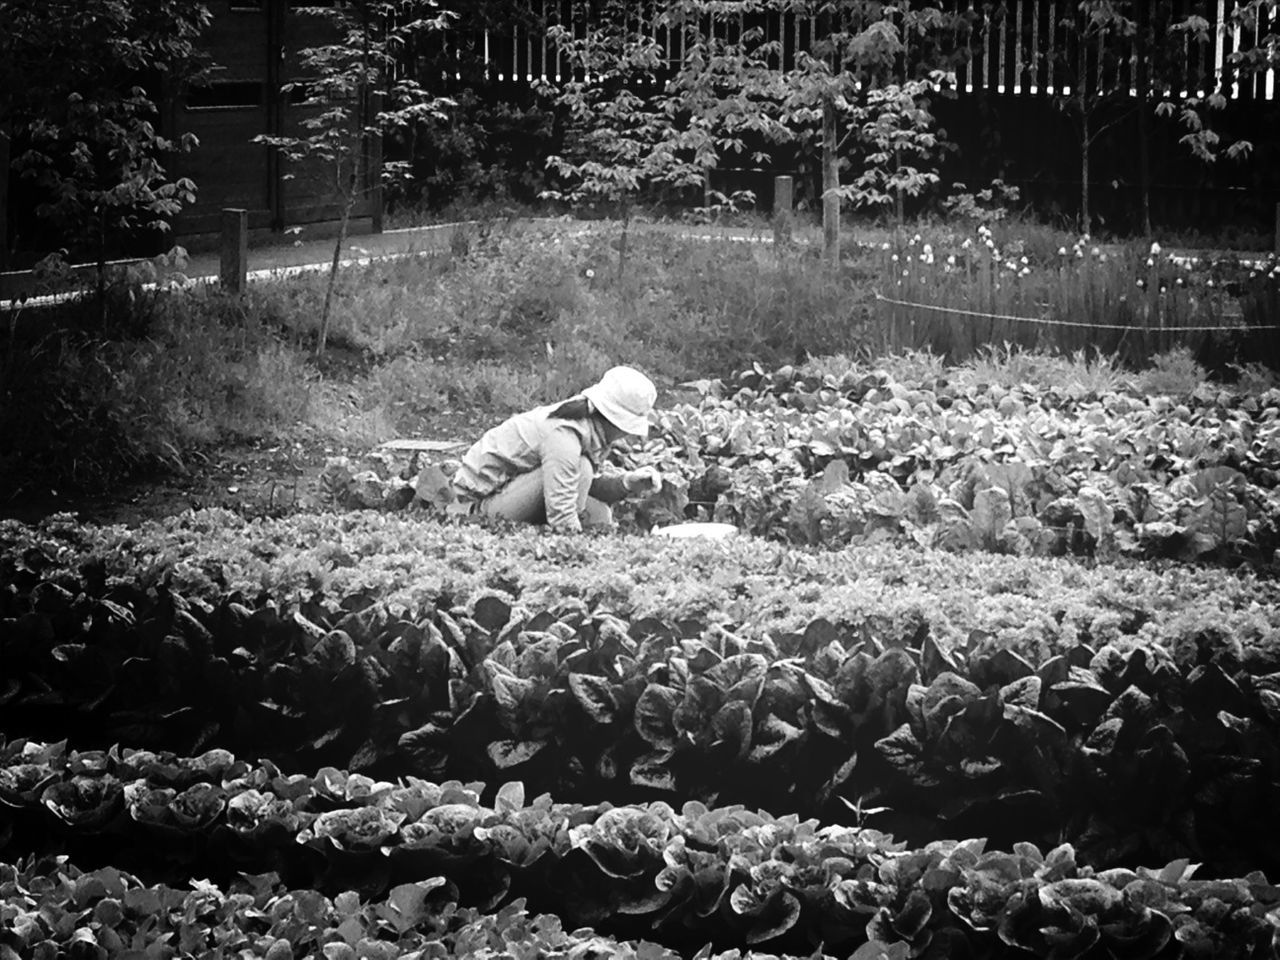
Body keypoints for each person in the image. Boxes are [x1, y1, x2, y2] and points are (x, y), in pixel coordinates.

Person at [449, 365, 666, 533]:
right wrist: (575, 552)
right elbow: (561, 513)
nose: (627, 434)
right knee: (582, 469)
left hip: (511, 492)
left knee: (599, 514)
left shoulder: (587, 426)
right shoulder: (564, 435)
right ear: (614, 420)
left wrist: (626, 482)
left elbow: (584, 484)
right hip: (476, 507)